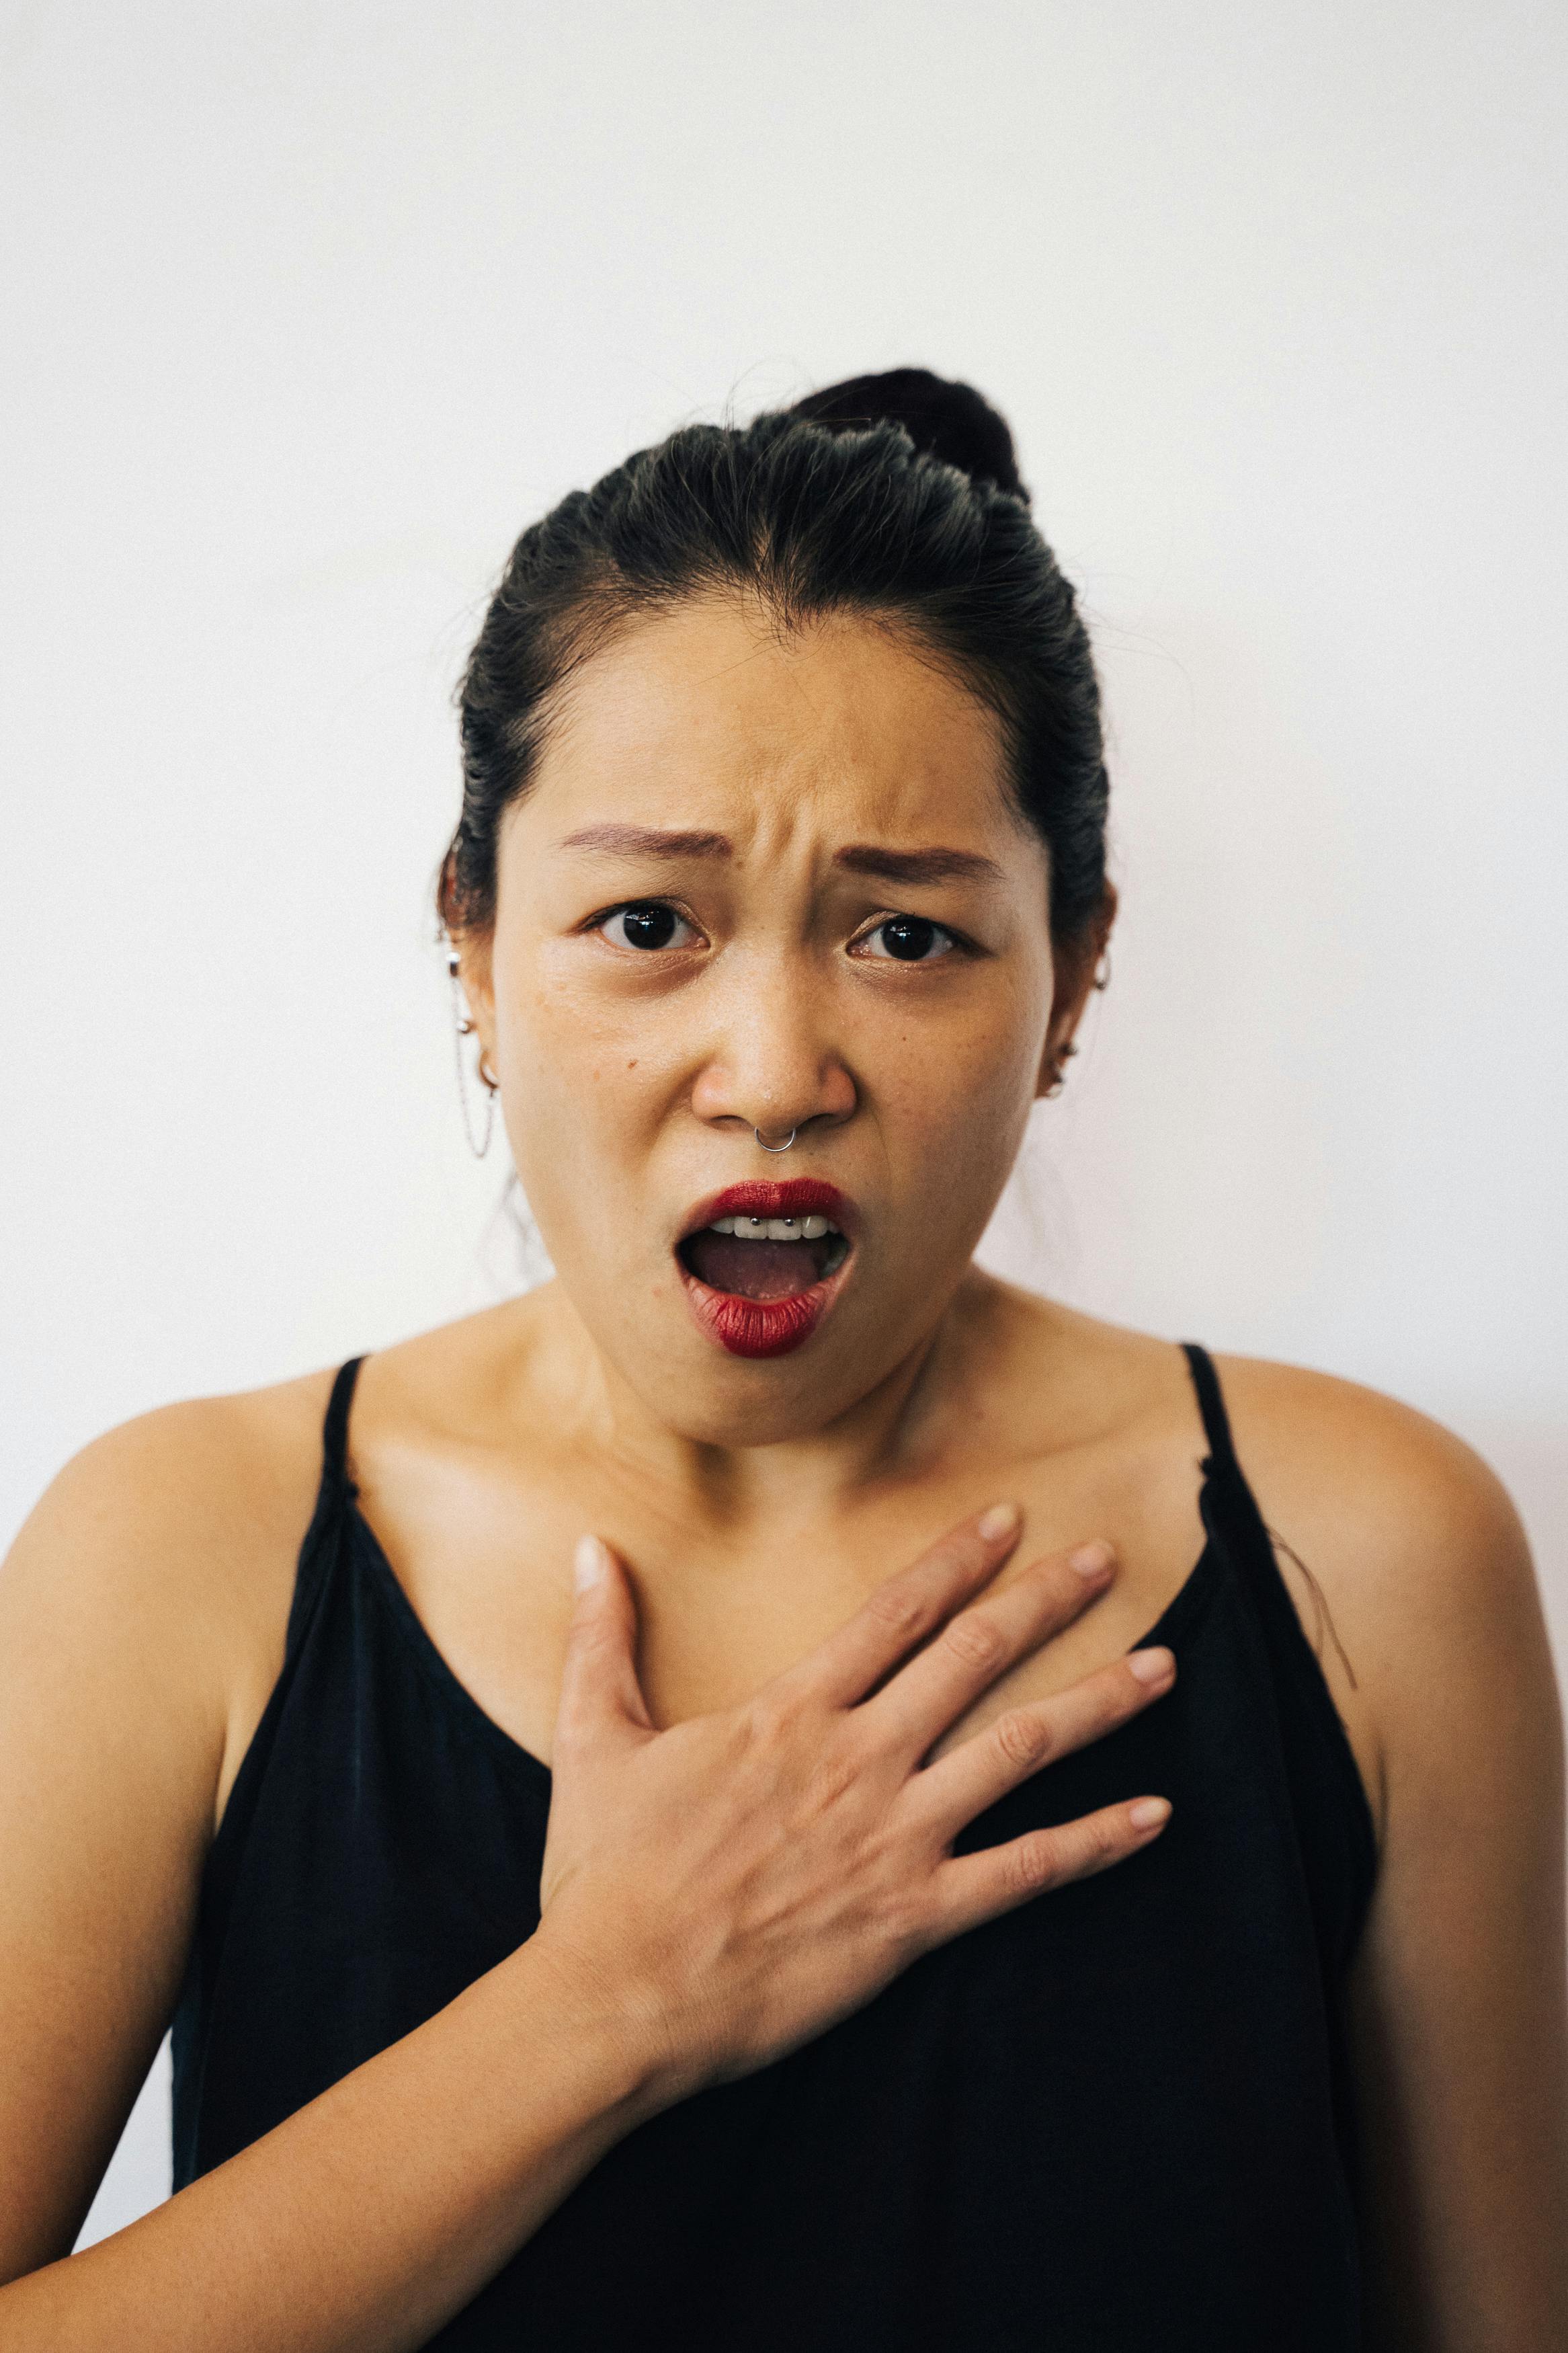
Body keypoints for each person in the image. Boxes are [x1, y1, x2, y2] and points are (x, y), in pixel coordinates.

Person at [1, 370, 1563, 2350]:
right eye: (649, 920)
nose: (771, 1075)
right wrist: (604, 2008)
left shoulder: (1377, 1554)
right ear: (474, 947)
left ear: (1074, 975)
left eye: (905, 939)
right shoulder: (185, 1546)